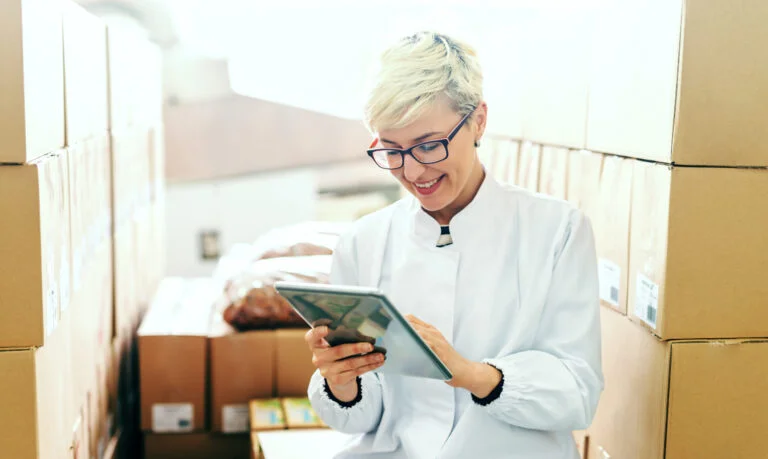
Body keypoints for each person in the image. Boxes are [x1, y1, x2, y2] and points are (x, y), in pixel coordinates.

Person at [304, 31, 603, 459]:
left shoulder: (557, 231)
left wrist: (471, 374)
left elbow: (578, 391)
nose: (412, 172)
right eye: (392, 150)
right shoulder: (362, 242)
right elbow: (360, 420)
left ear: (478, 120)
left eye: (429, 145)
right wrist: (342, 381)